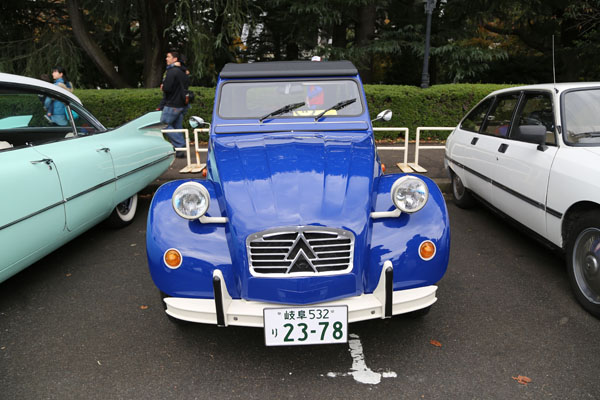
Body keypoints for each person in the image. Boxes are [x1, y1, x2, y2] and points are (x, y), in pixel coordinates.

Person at [159, 51, 189, 157]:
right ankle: (180, 150)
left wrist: (163, 86)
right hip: (182, 104)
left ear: (175, 59)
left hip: (172, 104)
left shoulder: (171, 72)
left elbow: (167, 88)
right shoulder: (183, 72)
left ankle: (180, 145)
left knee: (164, 124)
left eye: (168, 57)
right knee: (177, 127)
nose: (166, 59)